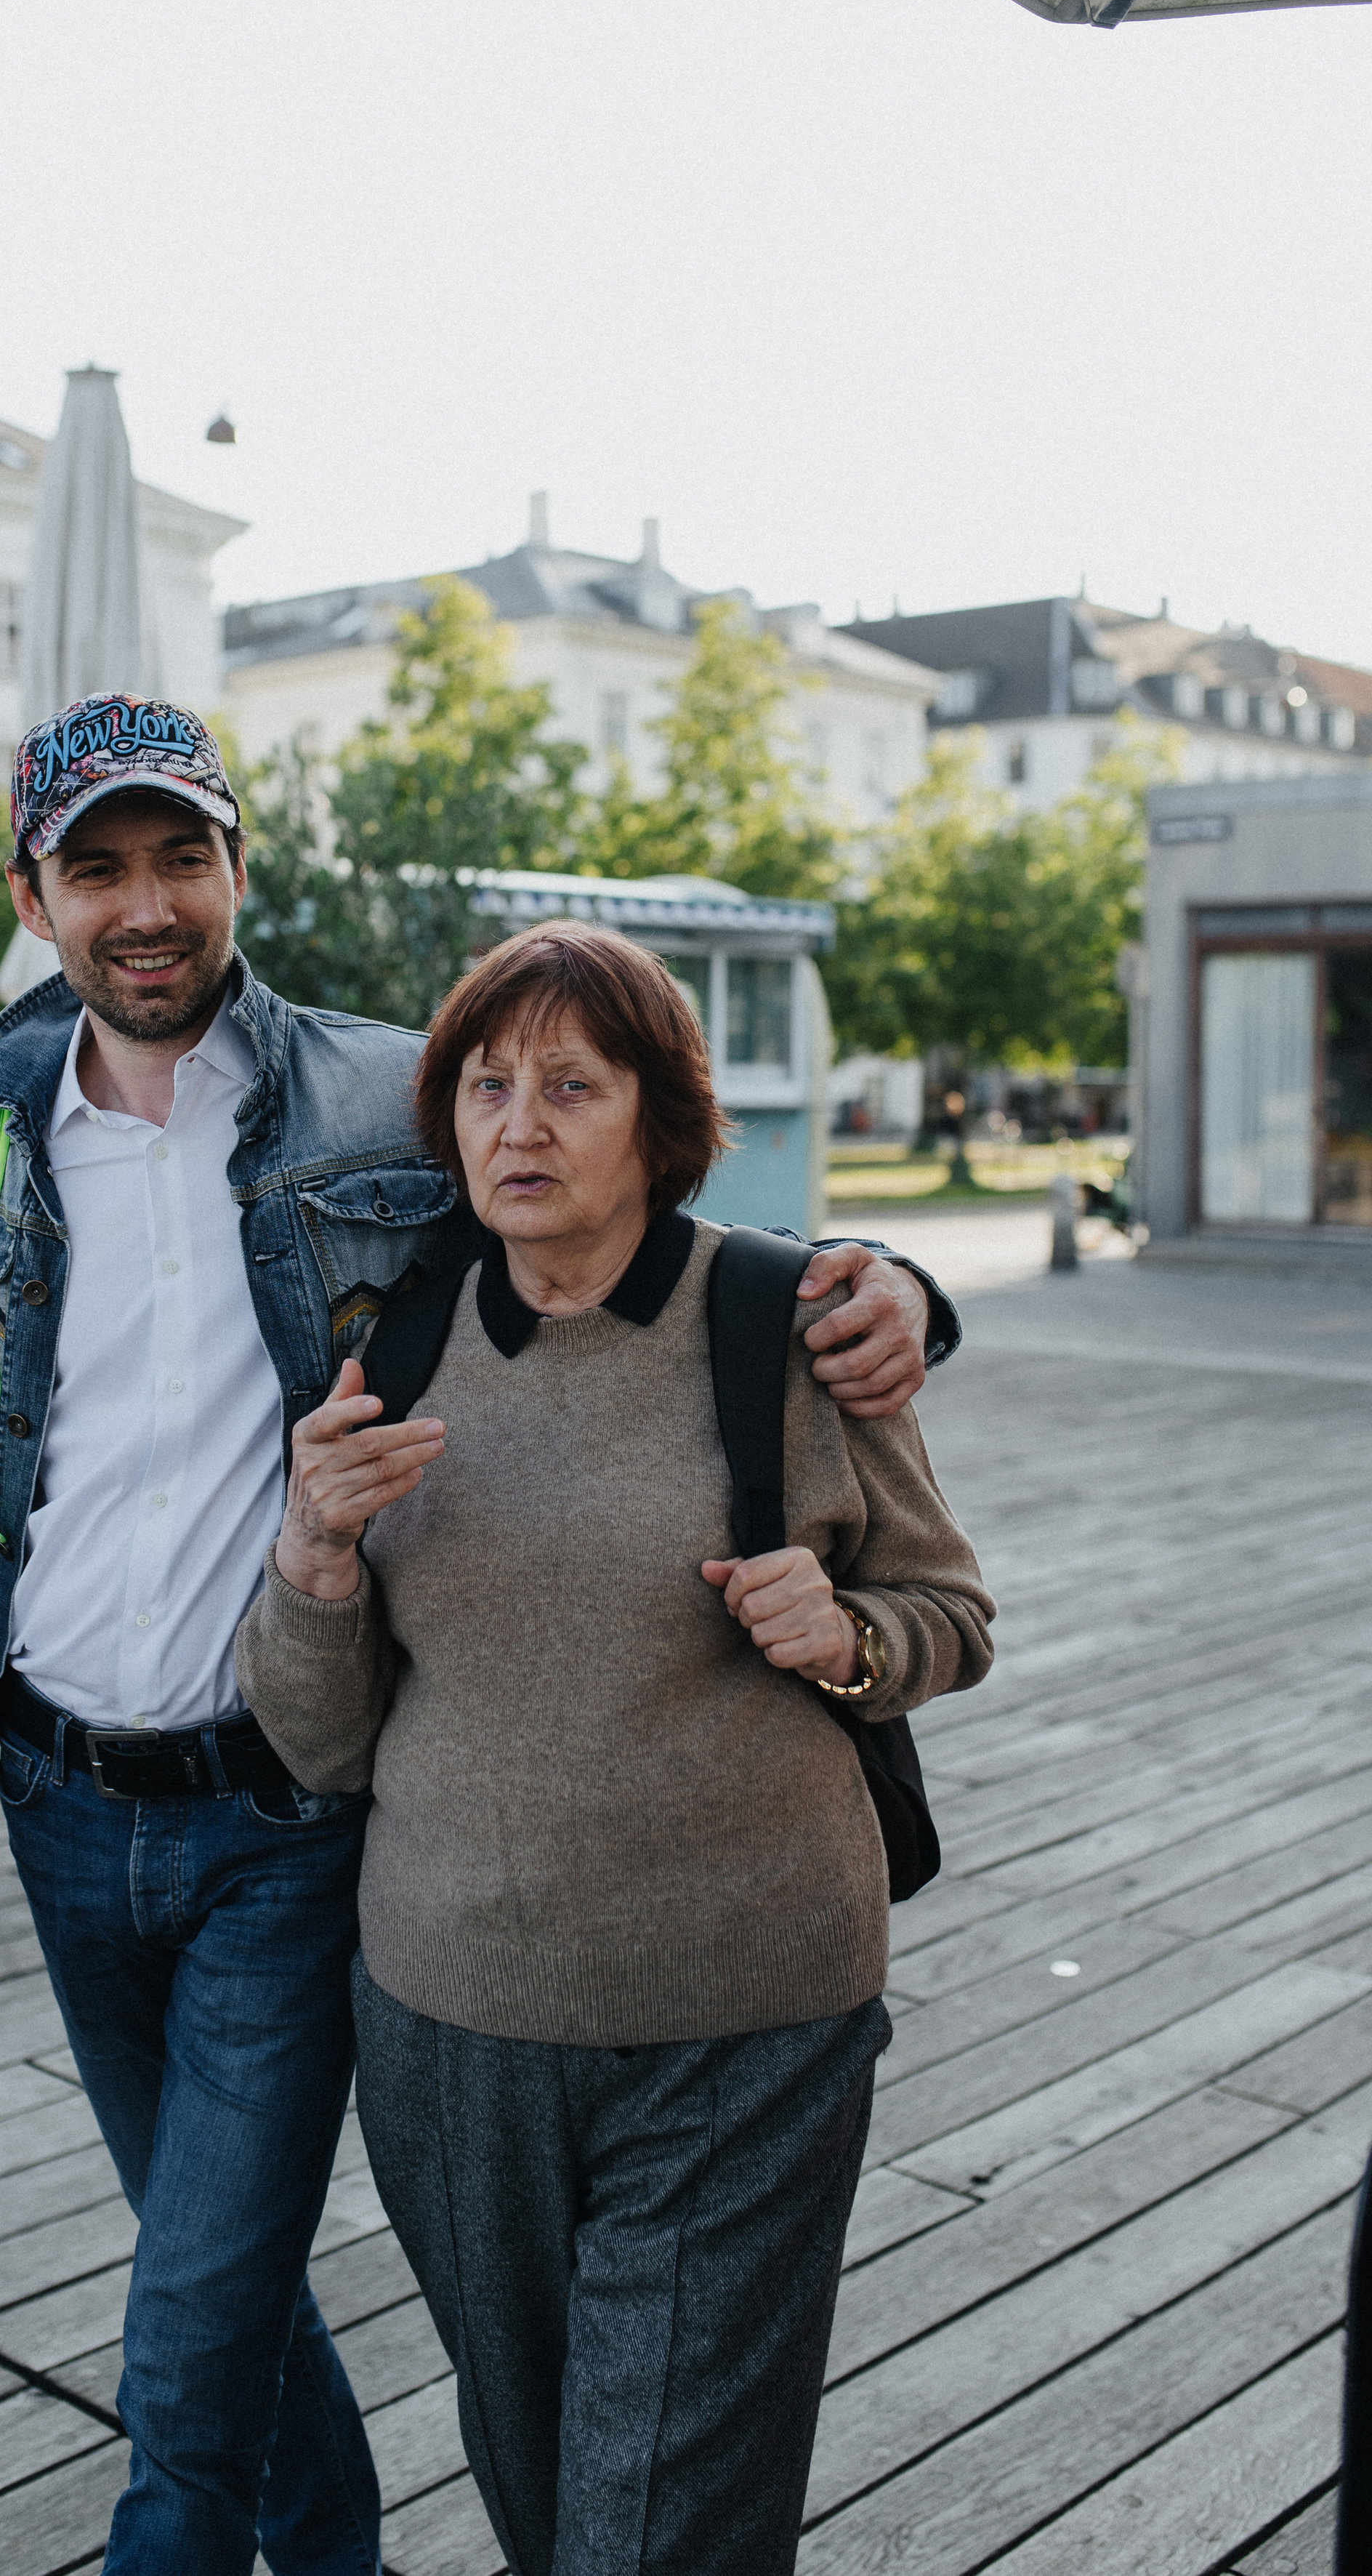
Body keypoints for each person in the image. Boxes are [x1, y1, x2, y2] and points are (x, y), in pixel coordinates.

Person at [0, 695, 961, 2576]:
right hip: (54, 1795)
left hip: (293, 1816)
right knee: (223, 2291)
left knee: (189, 2334)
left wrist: (912, 1290)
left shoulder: (386, 1095)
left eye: (180, 856)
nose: (146, 906)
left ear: (234, 869)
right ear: (30, 892)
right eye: (97, 866)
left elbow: (633, 1193)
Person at [237, 921, 995, 2576]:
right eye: (486, 1087)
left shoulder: (788, 1322)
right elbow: (321, 1736)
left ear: (659, 1117)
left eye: (570, 1086)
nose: (519, 1126)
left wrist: (848, 1632)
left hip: (749, 2020)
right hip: (452, 2037)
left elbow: (947, 1610)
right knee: (540, 2486)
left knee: (658, 2529)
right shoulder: (395, 1343)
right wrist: (310, 1563)